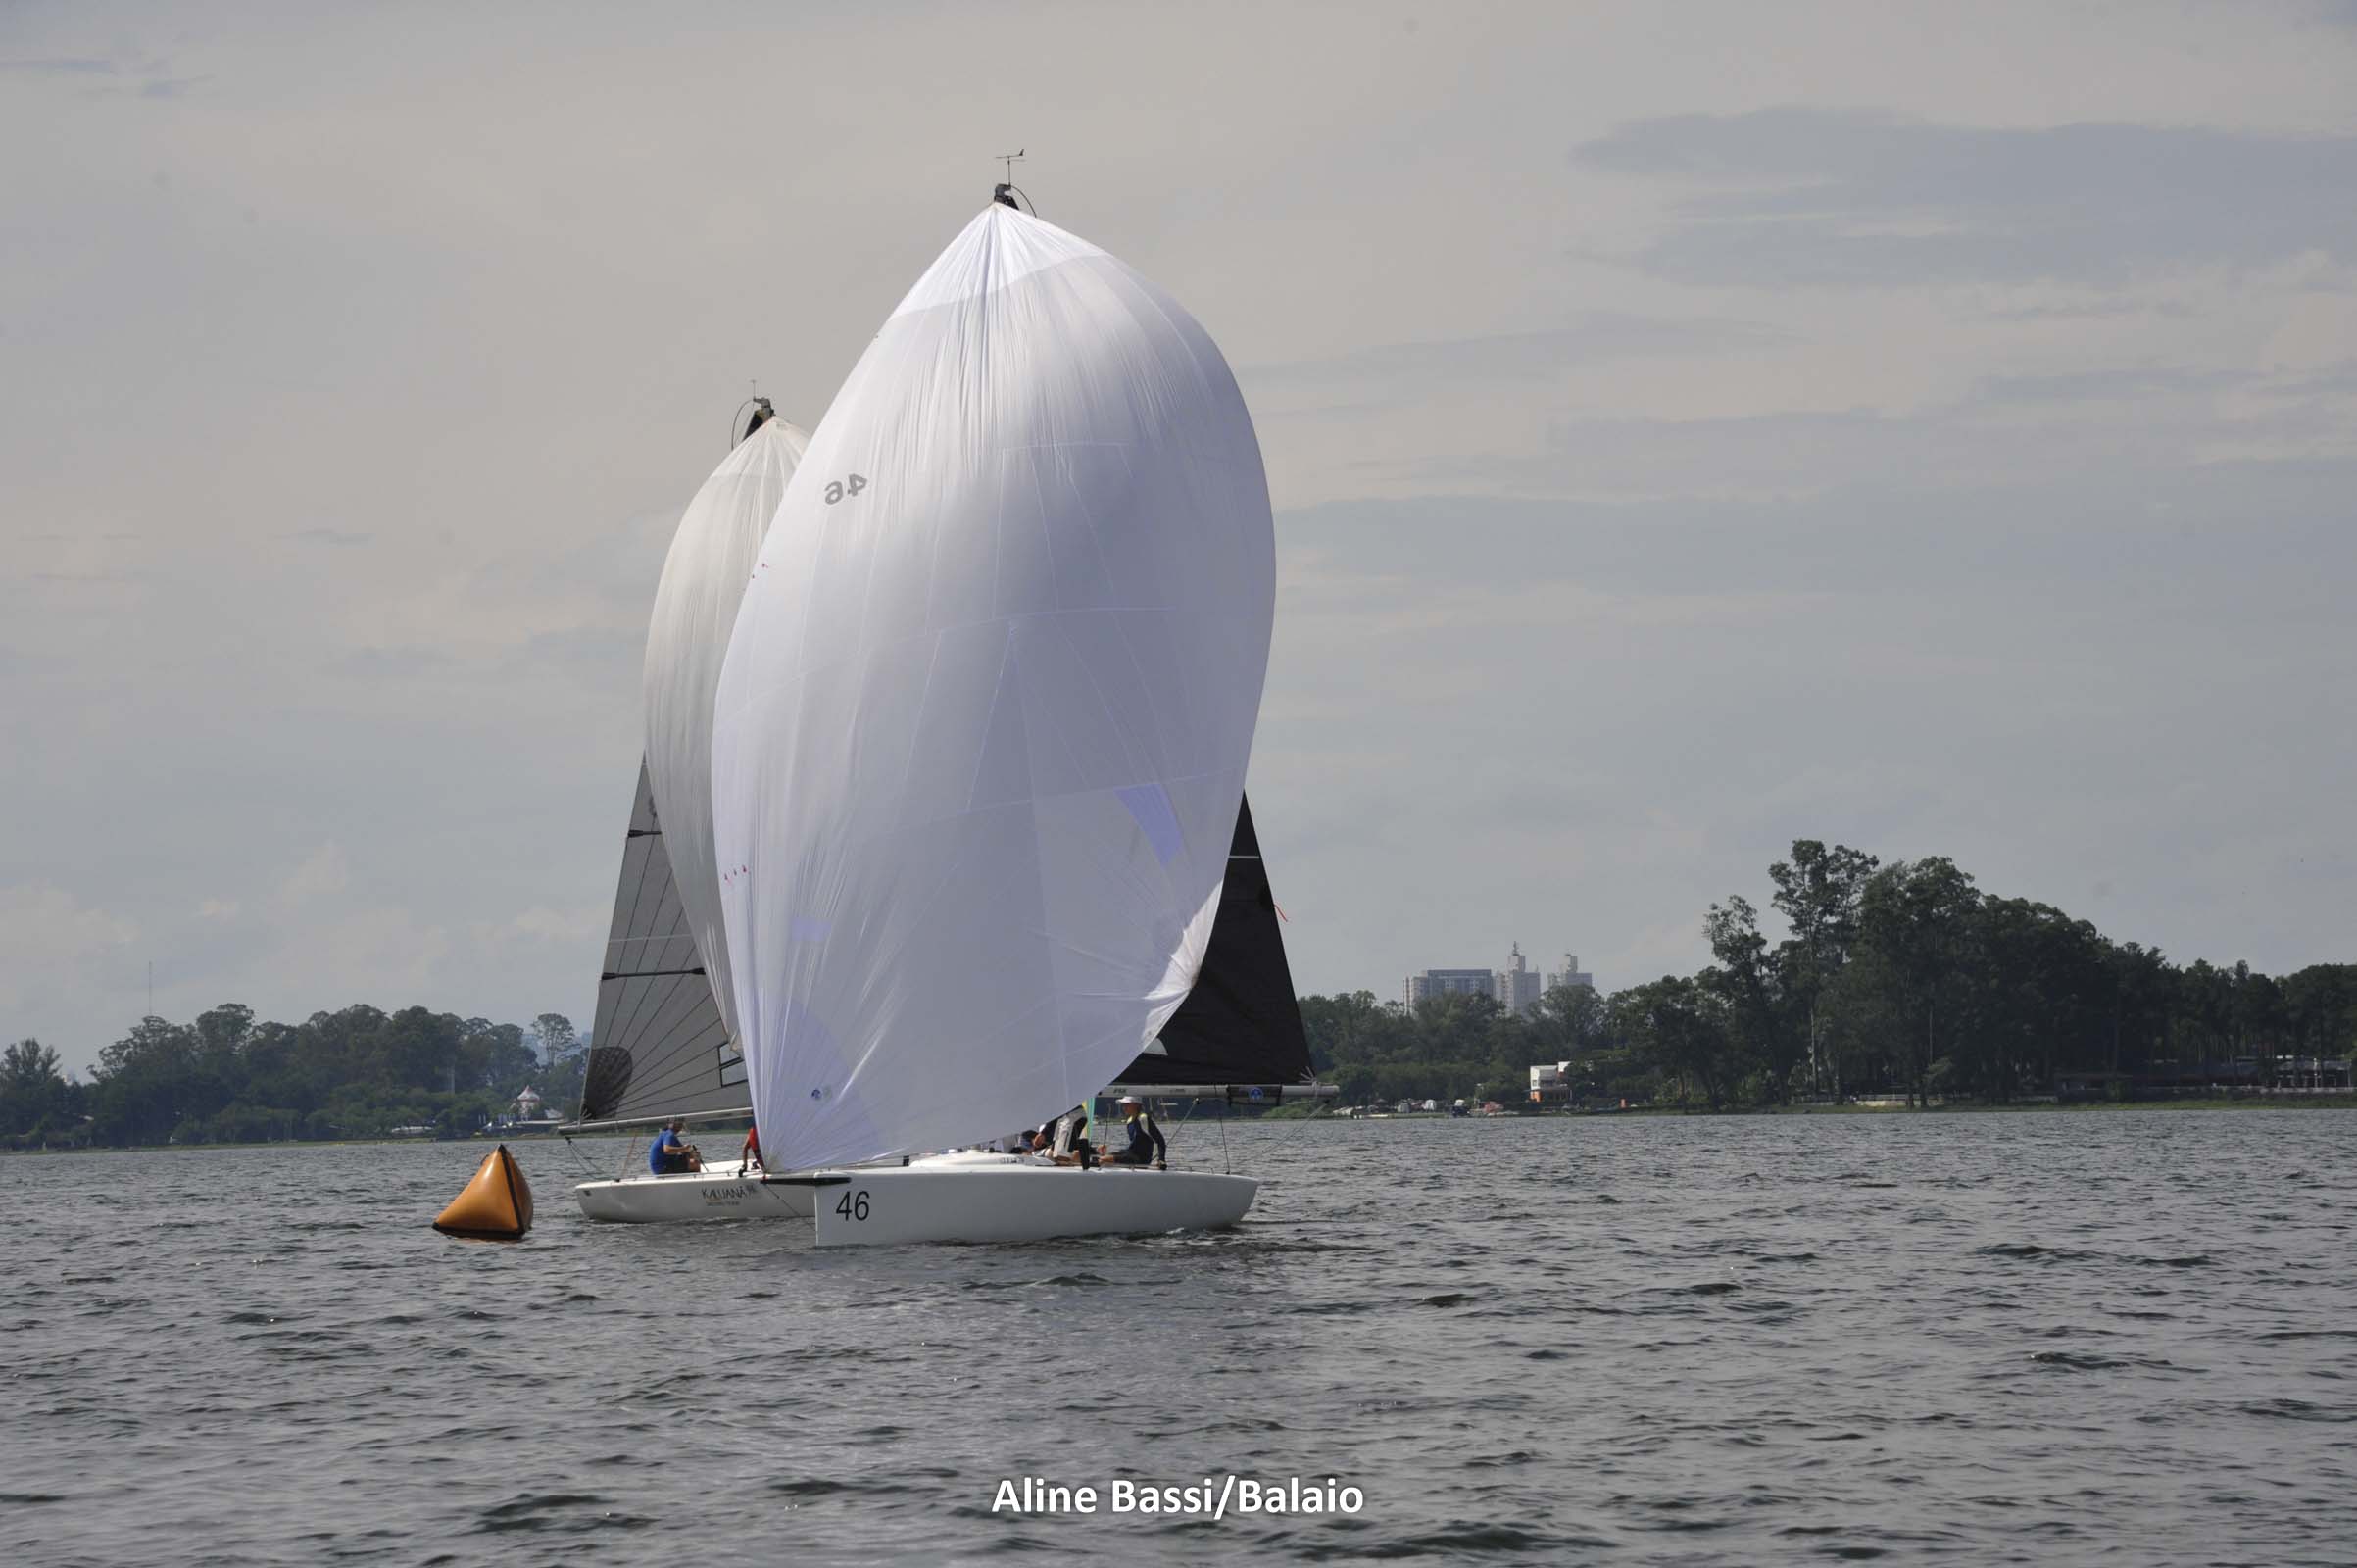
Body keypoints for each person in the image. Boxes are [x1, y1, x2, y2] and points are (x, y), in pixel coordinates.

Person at [1106, 1095, 1166, 1169]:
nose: (1124, 1107)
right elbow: (1134, 1144)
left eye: (1127, 1105)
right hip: (1130, 1154)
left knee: (1104, 1160)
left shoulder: (1143, 1118)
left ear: (1136, 1105)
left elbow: (1161, 1141)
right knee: (1102, 1157)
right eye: (1124, 1105)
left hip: (1140, 1159)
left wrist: (1161, 1159)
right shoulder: (1129, 1121)